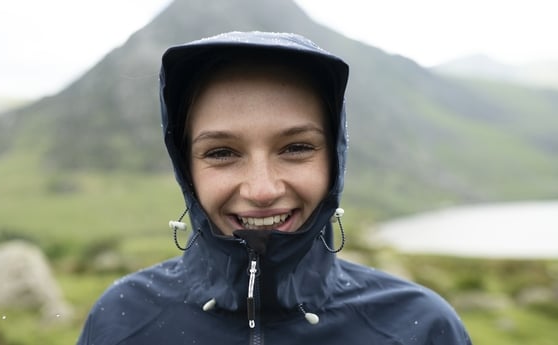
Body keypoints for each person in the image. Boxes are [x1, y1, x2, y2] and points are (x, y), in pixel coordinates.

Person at [77, 31, 472, 345]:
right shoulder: (120, 322)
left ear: (334, 159)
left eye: (296, 147)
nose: (262, 189)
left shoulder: (419, 329)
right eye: (221, 152)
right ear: (186, 168)